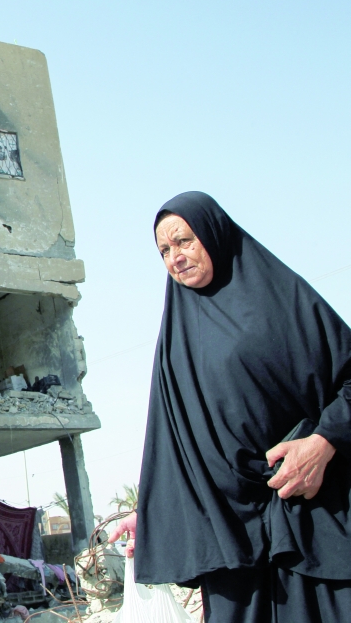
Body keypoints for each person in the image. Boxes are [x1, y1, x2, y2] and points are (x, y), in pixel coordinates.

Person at [110, 192, 351, 621]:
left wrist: (324, 441)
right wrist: (149, 517)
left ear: (214, 233)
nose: (175, 257)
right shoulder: (175, 342)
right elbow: (176, 445)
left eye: (184, 241)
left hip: (311, 517)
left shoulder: (282, 300)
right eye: (164, 250)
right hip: (230, 541)